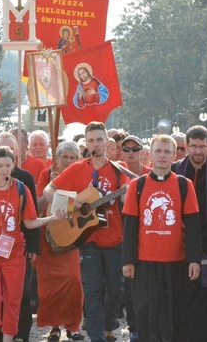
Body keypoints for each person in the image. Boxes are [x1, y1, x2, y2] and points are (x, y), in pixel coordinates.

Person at [0, 146, 65, 342]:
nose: (4, 170)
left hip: (14, 253)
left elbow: (30, 222)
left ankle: (8, 339)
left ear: (13, 166)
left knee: (13, 300)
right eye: (0, 166)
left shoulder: (21, 189)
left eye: (8, 166)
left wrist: (51, 218)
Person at [42, 121, 132, 342]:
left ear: (106, 142)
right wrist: (67, 204)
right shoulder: (78, 168)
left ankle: (108, 325)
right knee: (91, 291)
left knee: (114, 291)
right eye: (91, 140)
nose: (95, 144)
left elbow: (127, 202)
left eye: (99, 139)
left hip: (115, 239)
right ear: (86, 142)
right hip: (88, 239)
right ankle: (96, 337)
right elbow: (48, 190)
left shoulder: (119, 171)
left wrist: (125, 195)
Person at [123, 134, 201, 340]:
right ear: (150, 154)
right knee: (146, 315)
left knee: (174, 316)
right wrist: (128, 260)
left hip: (175, 263)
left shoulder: (184, 185)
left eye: (167, 152)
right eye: (158, 151)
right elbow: (130, 226)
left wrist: (194, 259)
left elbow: (193, 226)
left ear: (174, 155)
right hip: (144, 264)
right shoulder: (136, 186)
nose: (162, 156)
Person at [0, 131, 41, 342]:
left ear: (16, 153)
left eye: (10, 149)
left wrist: (33, 246)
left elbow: (32, 216)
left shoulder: (25, 179)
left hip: (17, 248)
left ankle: (19, 335)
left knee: (18, 296)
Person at [172, 125, 207, 341]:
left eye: (202, 146)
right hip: (179, 245)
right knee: (181, 301)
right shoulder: (175, 170)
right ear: (186, 146)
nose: (197, 151)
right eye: (193, 146)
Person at [34, 141, 85, 341]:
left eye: (73, 158)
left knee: (73, 280)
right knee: (49, 286)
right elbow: (37, 207)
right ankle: (54, 326)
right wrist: (50, 190)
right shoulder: (46, 176)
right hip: (48, 239)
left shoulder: (81, 177)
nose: (69, 162)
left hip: (71, 236)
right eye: (65, 157)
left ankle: (74, 326)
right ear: (57, 160)